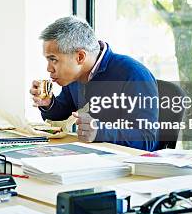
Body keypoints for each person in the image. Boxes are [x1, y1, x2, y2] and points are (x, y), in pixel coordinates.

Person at [29, 16, 159, 151]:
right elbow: (62, 113)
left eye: (53, 60)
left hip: (127, 166)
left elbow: (146, 140)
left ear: (80, 57)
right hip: (91, 157)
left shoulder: (134, 74)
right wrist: (49, 104)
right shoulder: (75, 76)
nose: (48, 69)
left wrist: (99, 132)